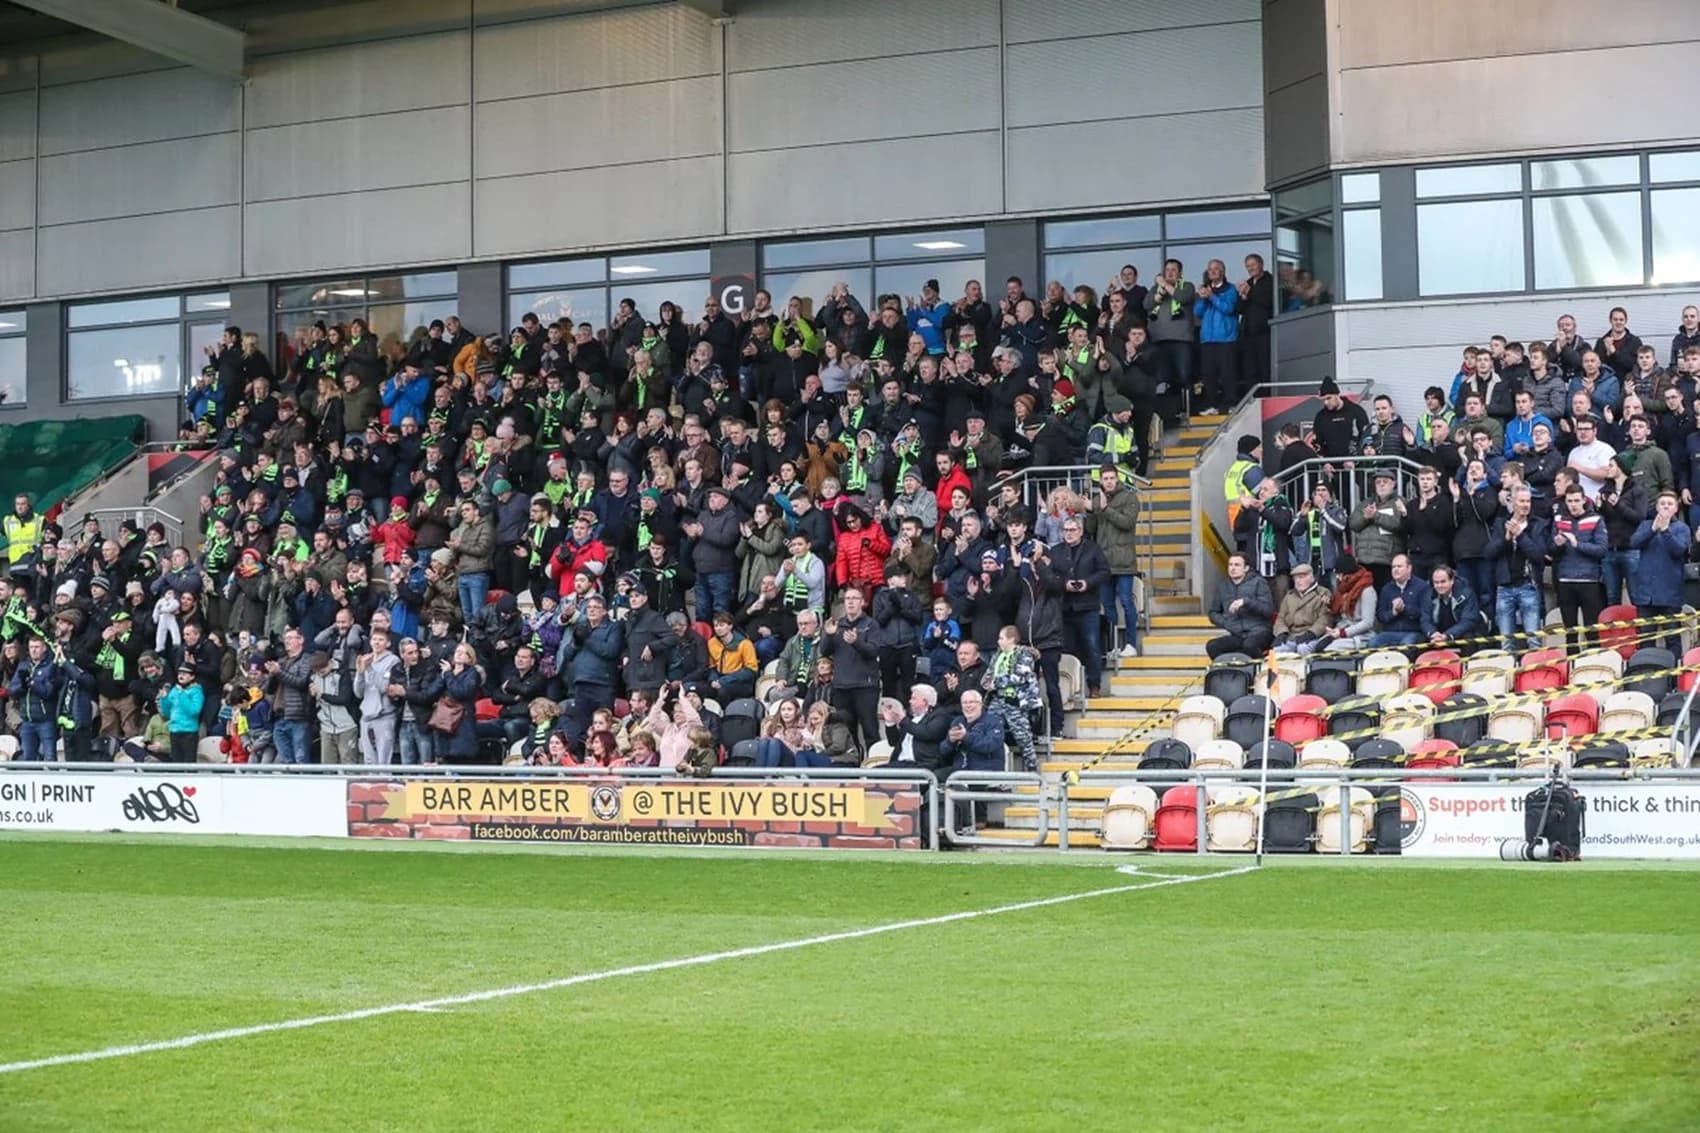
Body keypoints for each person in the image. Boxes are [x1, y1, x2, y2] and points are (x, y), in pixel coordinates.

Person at [1485, 486, 1549, 651]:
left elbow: (1538, 555)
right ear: (1512, 501)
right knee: (1506, 642)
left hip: (1528, 586)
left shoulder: (1537, 525)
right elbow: (1489, 552)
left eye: (1528, 501)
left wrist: (1520, 536)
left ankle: (1534, 674)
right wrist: (1506, 538)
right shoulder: (1500, 523)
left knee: (1534, 640)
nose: (1525, 505)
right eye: (1521, 501)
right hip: (1504, 587)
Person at [1629, 491, 1690, 653]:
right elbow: (1634, 542)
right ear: (1656, 507)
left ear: (1676, 508)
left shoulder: (1682, 528)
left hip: (1670, 595)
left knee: (1672, 638)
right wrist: (1653, 529)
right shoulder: (1645, 525)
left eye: (1670, 504)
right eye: (1662, 503)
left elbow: (1679, 550)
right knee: (1645, 638)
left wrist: (1665, 531)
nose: (1665, 506)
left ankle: (1674, 676)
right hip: (1646, 595)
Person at [821, 587, 880, 752]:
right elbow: (824, 652)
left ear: (862, 602)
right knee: (846, 731)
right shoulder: (837, 625)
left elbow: (874, 651)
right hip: (841, 687)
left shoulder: (871, 625)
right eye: (847, 599)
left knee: (870, 731)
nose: (851, 602)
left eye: (855, 598)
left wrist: (856, 643)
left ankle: (874, 768)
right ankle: (852, 765)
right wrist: (830, 635)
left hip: (865, 687)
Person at [983, 626, 1042, 772]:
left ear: (1011, 639)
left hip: (1016, 701)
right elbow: (988, 674)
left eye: (1001, 638)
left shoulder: (1024, 655)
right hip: (997, 699)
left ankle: (1032, 767)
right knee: (989, 729)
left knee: (1022, 736)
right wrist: (986, 682)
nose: (998, 641)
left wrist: (995, 683)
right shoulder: (998, 655)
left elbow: (1018, 676)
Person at [1207, 553, 1275, 659]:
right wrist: (1225, 622)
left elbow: (1268, 611)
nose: (1232, 568)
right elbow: (1213, 612)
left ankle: (1256, 672)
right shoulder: (1223, 586)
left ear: (1246, 568)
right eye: (1230, 565)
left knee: (1249, 646)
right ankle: (1229, 673)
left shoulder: (1259, 582)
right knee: (1212, 646)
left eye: (1237, 565)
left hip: (1260, 632)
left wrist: (1246, 602)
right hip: (1237, 634)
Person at [1368, 554, 1430, 648]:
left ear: (1409, 568)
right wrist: (1393, 612)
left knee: (1407, 644)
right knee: (1372, 643)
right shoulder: (1386, 589)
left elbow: (1425, 613)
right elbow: (1380, 616)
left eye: (1399, 566)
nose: (1395, 569)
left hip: (1414, 632)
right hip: (1390, 632)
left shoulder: (1422, 587)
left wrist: (1405, 608)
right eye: (1393, 567)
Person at [159, 662, 205, 764]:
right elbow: (167, 713)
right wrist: (164, 699)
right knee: (176, 762)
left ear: (192, 676)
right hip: (174, 730)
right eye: (180, 673)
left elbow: (194, 711)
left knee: (189, 763)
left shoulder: (197, 691)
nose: (181, 676)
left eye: (185, 673)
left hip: (189, 731)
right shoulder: (175, 690)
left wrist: (182, 694)